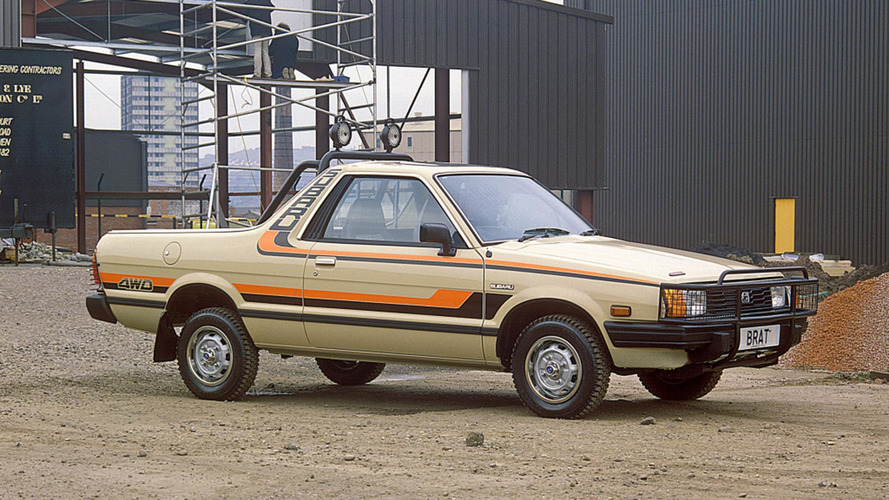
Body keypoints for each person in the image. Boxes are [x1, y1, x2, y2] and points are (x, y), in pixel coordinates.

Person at [245, 0, 273, 78]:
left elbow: (244, 13)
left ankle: (257, 73)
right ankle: (268, 72)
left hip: (256, 29)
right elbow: (272, 8)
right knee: (265, 51)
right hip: (266, 28)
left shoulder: (250, 2)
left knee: (257, 51)